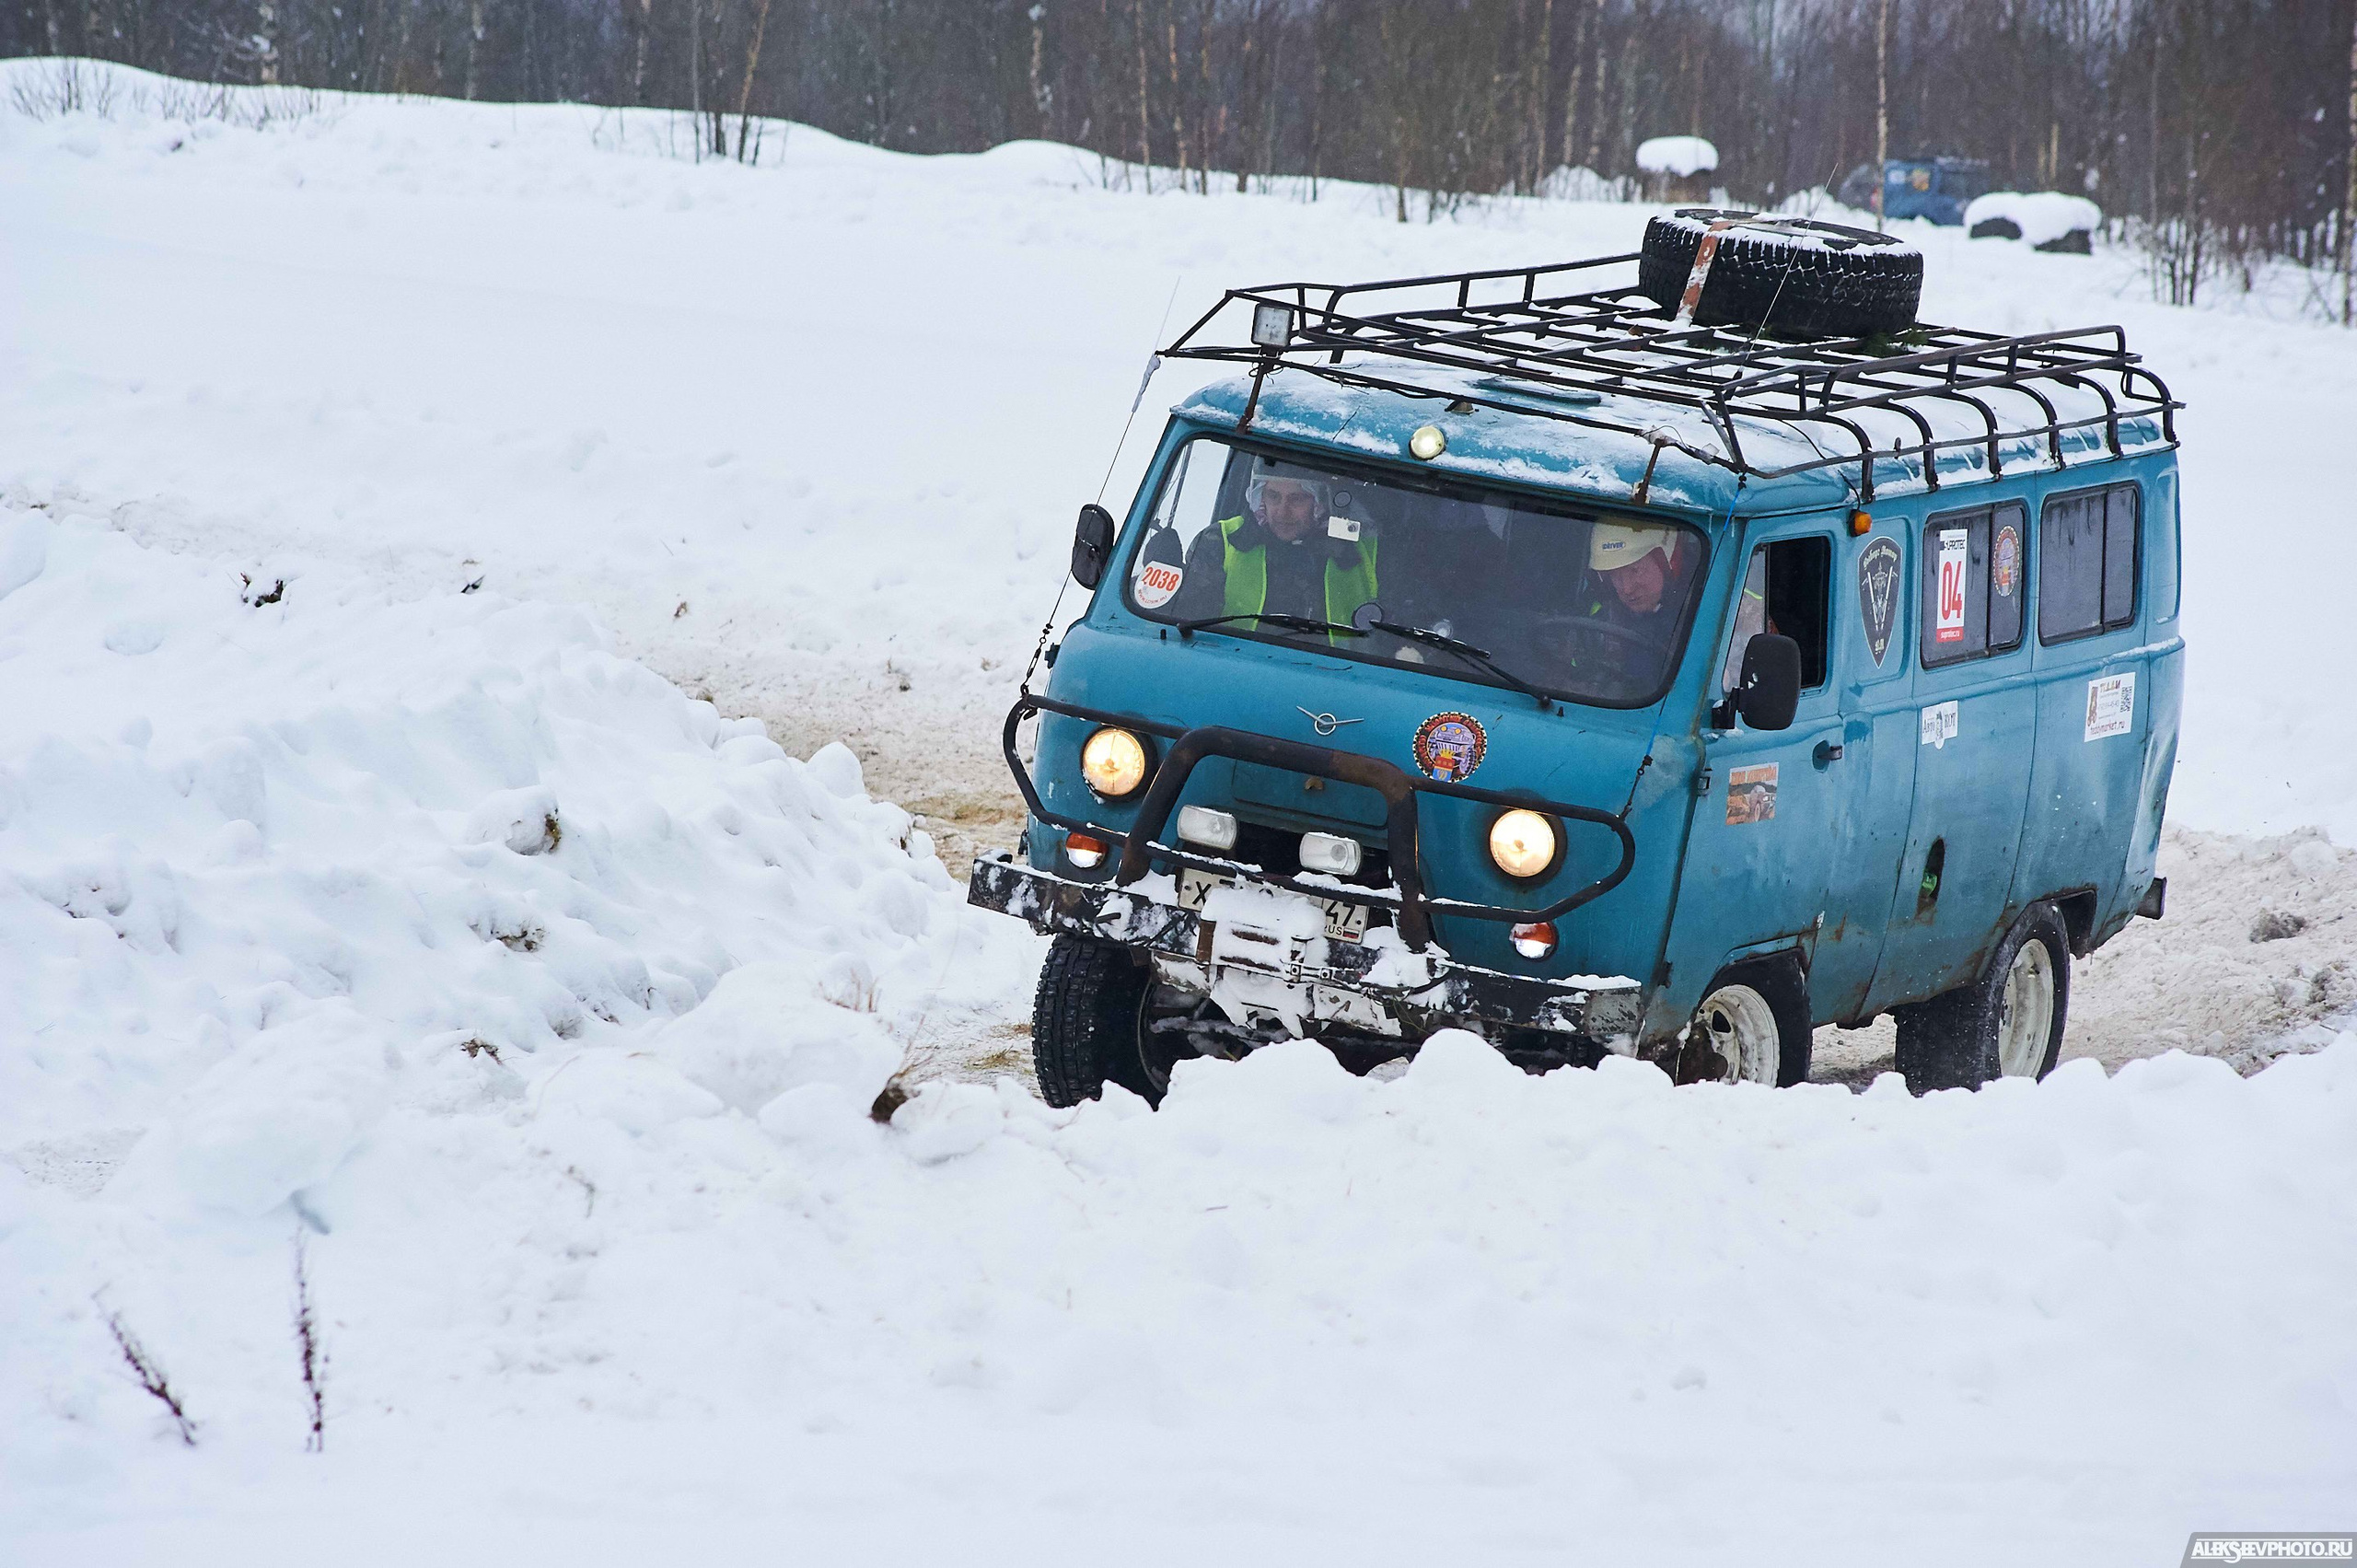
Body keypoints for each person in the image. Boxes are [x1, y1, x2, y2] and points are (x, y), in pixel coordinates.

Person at [1162, 458, 1378, 632]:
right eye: (1273, 496)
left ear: (1320, 502)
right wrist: (1166, 592)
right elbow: (1188, 620)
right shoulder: (1222, 540)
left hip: (1337, 676)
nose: (1282, 511)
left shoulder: (1361, 548)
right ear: (1258, 496)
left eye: (1297, 499)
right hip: (1235, 667)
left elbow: (1394, 627)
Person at [1568, 517, 1693, 687]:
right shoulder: (1597, 612)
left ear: (1669, 562)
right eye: (1614, 574)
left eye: (1635, 570)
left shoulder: (1712, 612)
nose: (1626, 588)